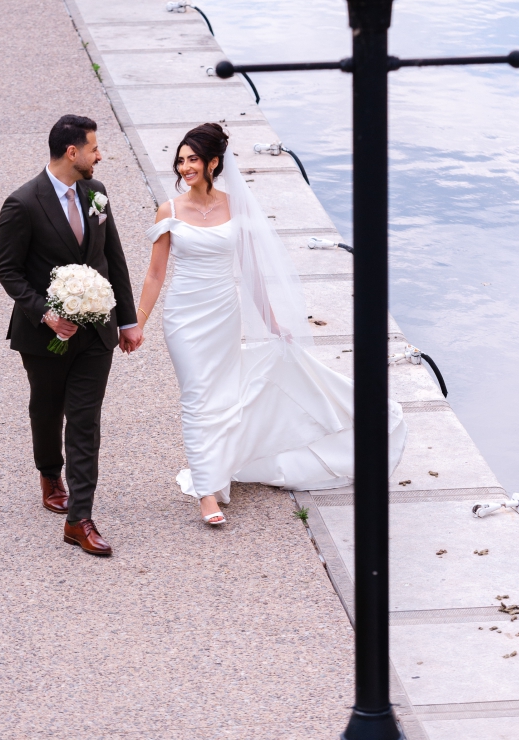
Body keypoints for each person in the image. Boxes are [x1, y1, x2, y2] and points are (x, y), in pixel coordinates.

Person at [133, 123, 386, 526]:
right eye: (180, 161)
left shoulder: (236, 206)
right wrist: (138, 322)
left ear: (214, 162)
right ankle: (206, 493)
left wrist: (271, 322)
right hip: (183, 316)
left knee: (223, 397)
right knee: (196, 398)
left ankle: (217, 467)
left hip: (222, 313)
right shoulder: (169, 210)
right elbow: (155, 274)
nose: (184, 168)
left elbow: (251, 271)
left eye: (192, 159)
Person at [0, 115, 142, 557]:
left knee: (84, 421)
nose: (101, 156)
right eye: (95, 148)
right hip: (45, 336)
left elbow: (112, 257)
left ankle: (80, 519)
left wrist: (128, 320)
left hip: (97, 334)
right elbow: (8, 271)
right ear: (72, 153)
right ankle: (48, 475)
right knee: (47, 408)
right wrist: (47, 315)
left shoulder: (96, 194)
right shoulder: (22, 203)